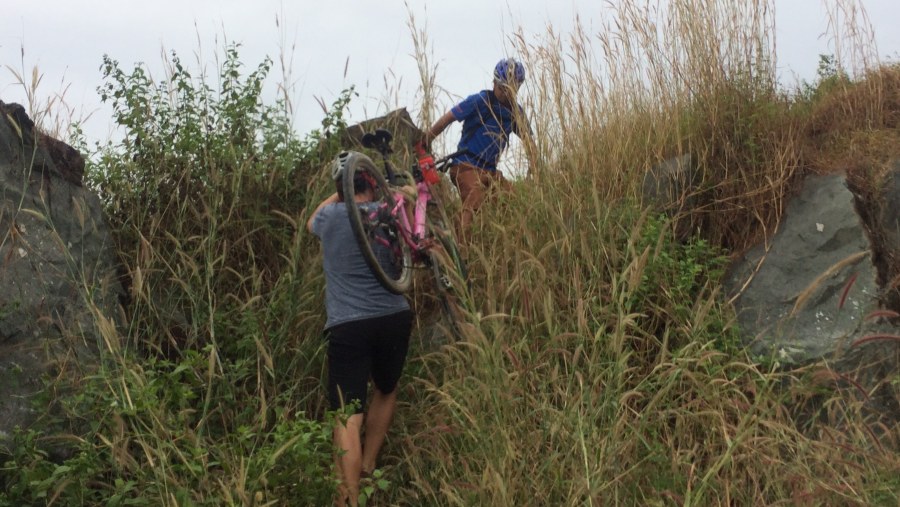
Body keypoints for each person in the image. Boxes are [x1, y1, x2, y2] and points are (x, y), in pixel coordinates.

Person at [306, 151, 413, 507]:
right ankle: (368, 466)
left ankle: (348, 498)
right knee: (385, 388)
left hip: (348, 325)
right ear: (371, 182)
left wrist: (341, 190)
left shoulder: (330, 216)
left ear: (341, 188)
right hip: (395, 315)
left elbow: (309, 223)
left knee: (346, 413)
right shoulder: (390, 213)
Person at [421, 57, 535, 239]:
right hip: (465, 165)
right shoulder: (479, 101)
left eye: (510, 89)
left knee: (515, 203)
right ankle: (460, 250)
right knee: (475, 198)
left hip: (490, 171)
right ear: (494, 82)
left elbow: (529, 142)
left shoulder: (516, 112)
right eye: (501, 88)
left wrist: (534, 166)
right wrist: (426, 141)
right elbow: (447, 119)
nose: (505, 93)